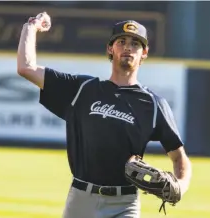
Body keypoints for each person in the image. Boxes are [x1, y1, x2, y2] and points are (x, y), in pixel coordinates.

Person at [17, 12, 192, 218]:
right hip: (81, 200)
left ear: (144, 52)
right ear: (110, 48)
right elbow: (26, 68)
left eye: (135, 44)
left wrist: (180, 185)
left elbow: (180, 159)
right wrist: (31, 27)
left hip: (125, 204)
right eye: (122, 41)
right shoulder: (82, 89)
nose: (128, 47)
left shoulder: (154, 105)